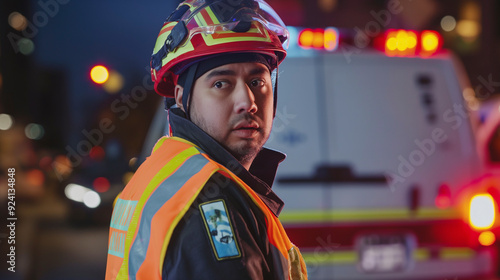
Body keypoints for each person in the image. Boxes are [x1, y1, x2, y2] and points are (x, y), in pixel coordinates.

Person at [105, 0, 307, 279]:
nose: (247, 102)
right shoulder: (210, 204)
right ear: (180, 97)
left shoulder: (165, 172)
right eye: (221, 83)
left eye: (257, 82)